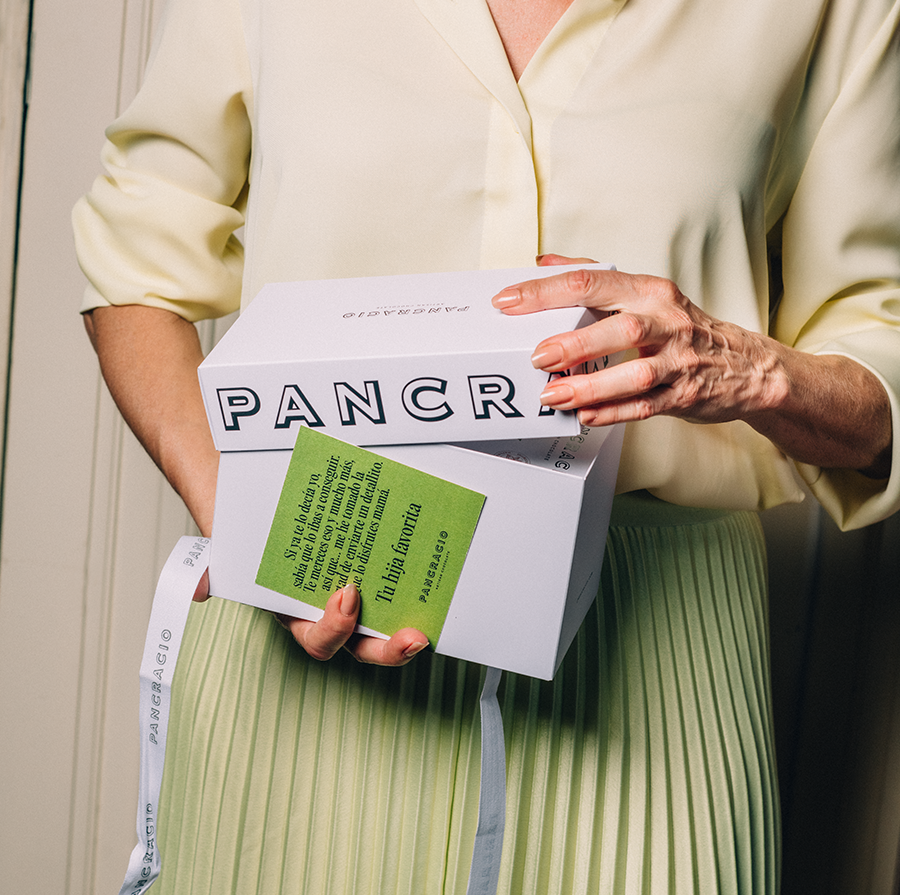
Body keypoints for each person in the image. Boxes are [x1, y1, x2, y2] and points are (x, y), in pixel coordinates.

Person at [74, 0, 900, 891]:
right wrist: (248, 533)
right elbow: (135, 255)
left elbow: (876, 375)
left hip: (656, 672)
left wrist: (748, 370)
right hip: (311, 621)